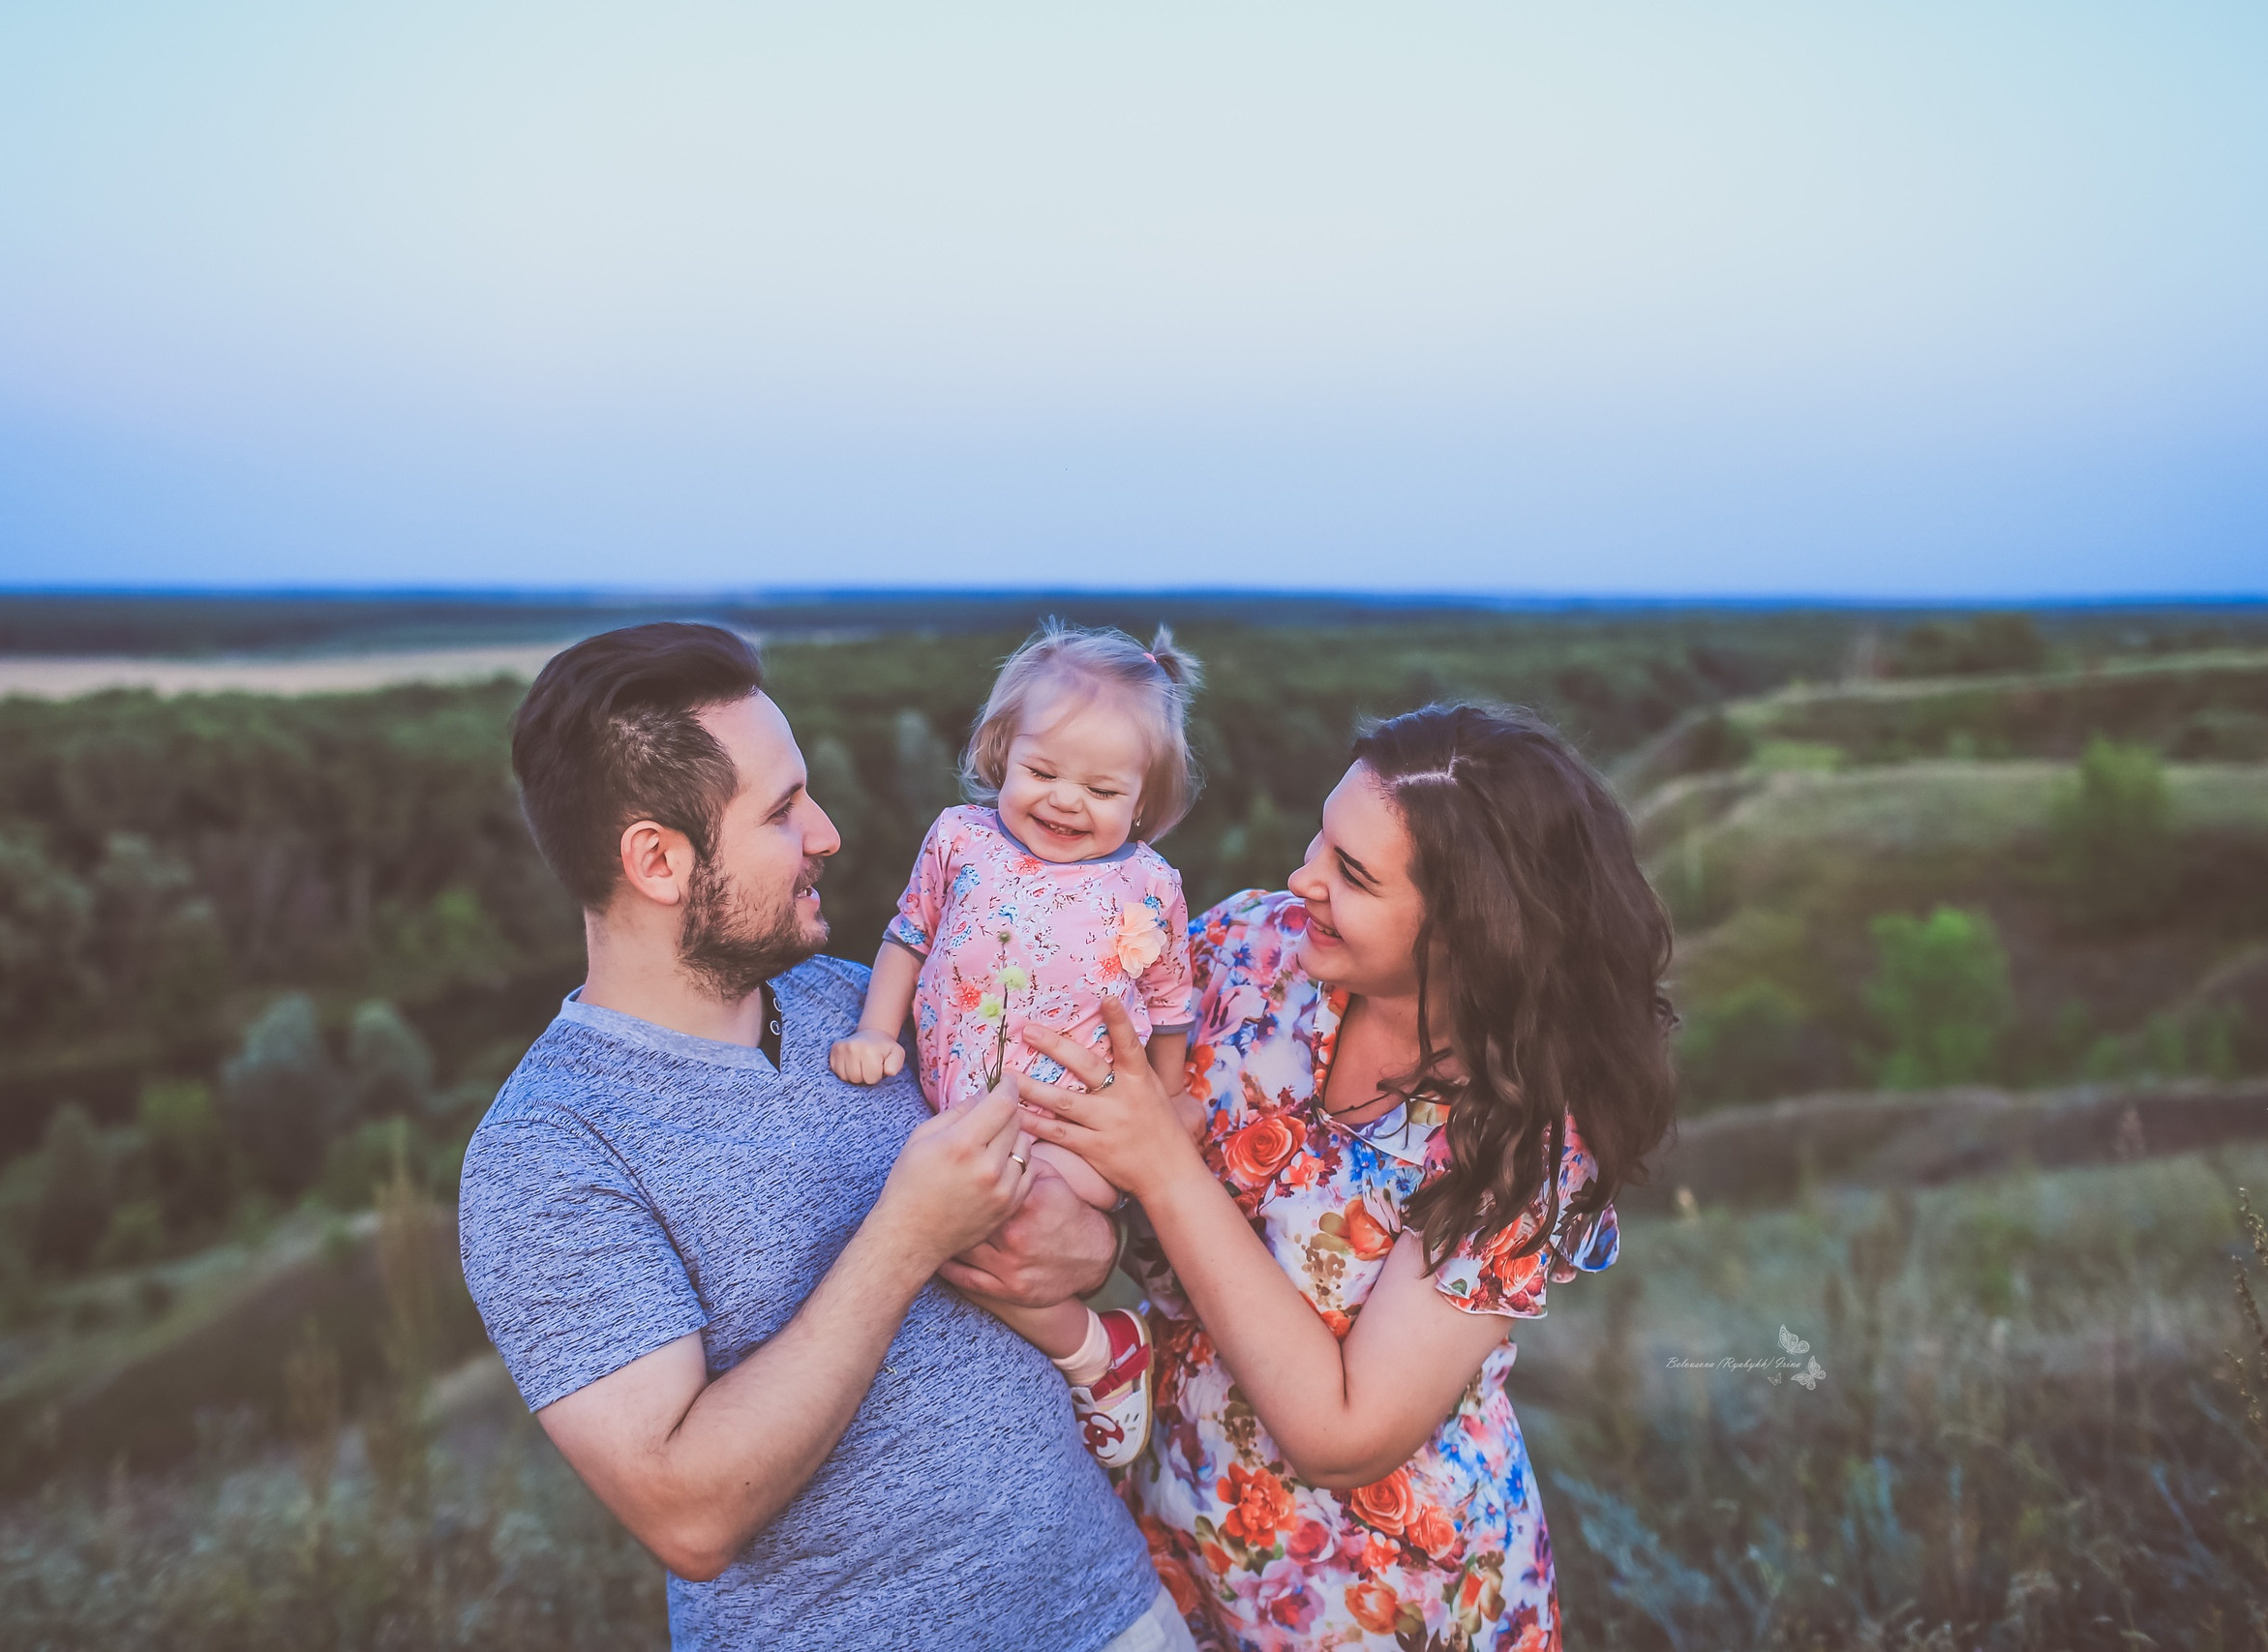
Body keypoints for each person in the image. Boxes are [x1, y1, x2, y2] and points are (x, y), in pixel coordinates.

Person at [456, 622, 1198, 1652]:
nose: (828, 832)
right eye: (782, 809)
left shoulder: (871, 1010)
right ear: (657, 860)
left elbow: (1076, 1208)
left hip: (1112, 1612)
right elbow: (689, 1513)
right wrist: (905, 1236)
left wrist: (1094, 1245)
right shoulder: (550, 1153)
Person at [1014, 703, 1678, 1650]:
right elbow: (1088, 1108)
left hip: (1381, 1597)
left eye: (1352, 875)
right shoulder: (1252, 952)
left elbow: (1345, 1435)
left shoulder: (1523, 1139)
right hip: (1166, 1537)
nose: (1301, 879)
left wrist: (1162, 1171)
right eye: (1319, 841)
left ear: (1469, 930)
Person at [831, 619, 1202, 1467]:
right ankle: (1072, 1357)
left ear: (1143, 802)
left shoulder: (1147, 885)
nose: (1066, 801)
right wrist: (872, 1032)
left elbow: (1170, 1005)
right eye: (1042, 772)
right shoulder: (961, 840)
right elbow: (907, 937)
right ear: (1002, 753)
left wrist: (1167, 1106)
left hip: (1076, 1126)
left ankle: (1092, 1353)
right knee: (950, 1217)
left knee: (1000, 1223)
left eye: (1103, 791)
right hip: (967, 1106)